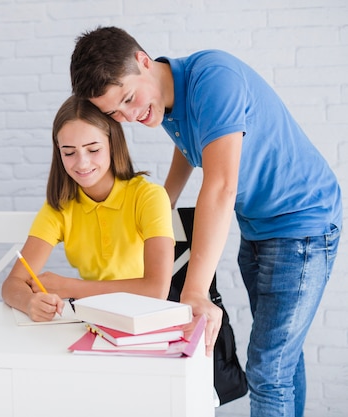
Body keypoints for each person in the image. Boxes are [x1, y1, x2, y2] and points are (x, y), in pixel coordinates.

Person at [69, 26, 342, 417]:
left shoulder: (214, 79)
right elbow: (193, 145)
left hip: (303, 224)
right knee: (282, 359)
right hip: (259, 226)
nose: (129, 116)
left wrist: (194, 290)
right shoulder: (162, 101)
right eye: (115, 112)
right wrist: (166, 199)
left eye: (128, 99)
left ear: (144, 61)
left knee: (267, 372)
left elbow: (220, 186)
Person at [1, 95, 175, 322]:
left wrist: (70, 287)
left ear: (113, 144)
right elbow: (12, 284)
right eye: (69, 152)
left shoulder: (148, 197)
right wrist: (29, 302)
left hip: (147, 320)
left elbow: (156, 290)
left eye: (93, 150)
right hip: (93, 321)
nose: (82, 163)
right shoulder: (60, 206)